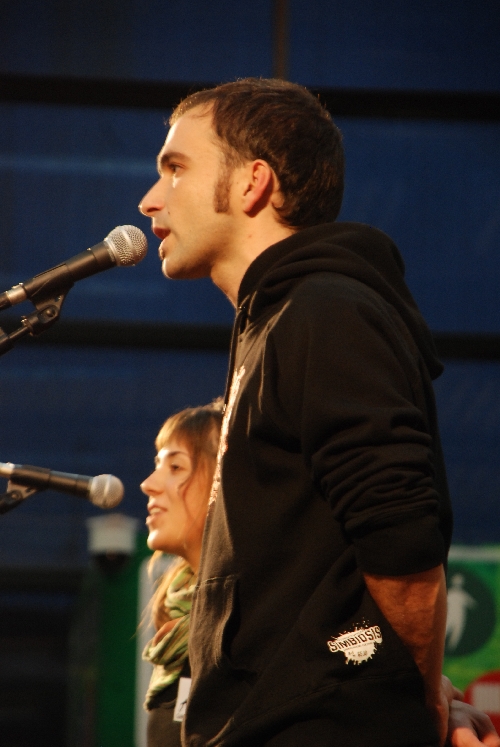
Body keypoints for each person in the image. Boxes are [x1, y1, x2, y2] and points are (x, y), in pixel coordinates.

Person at [139, 78, 500, 747]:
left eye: (176, 168)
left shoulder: (324, 311)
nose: (150, 198)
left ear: (253, 183)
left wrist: (419, 703)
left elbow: (401, 544)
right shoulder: (278, 322)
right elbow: (314, 584)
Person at [140, 401, 223, 747]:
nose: (148, 484)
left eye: (176, 467)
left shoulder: (249, 623)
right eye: (157, 465)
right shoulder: (175, 625)